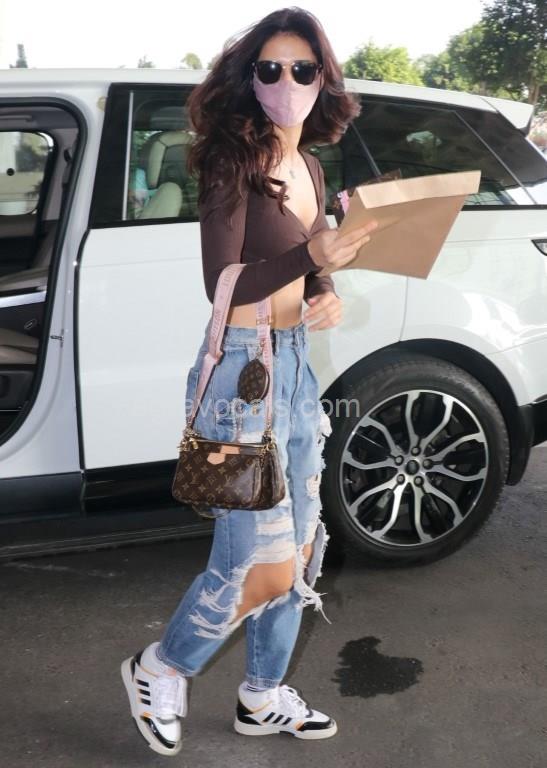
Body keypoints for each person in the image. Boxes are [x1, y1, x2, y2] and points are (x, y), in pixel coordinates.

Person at [121, 7, 377, 756]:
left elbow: (309, 261)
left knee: (299, 547)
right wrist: (311, 258)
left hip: (294, 363)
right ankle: (160, 666)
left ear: (323, 78)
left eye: (302, 68)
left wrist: (325, 287)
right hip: (243, 376)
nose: (286, 81)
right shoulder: (232, 160)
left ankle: (261, 695)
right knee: (254, 564)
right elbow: (222, 284)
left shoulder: (311, 167)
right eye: (270, 68)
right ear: (250, 78)